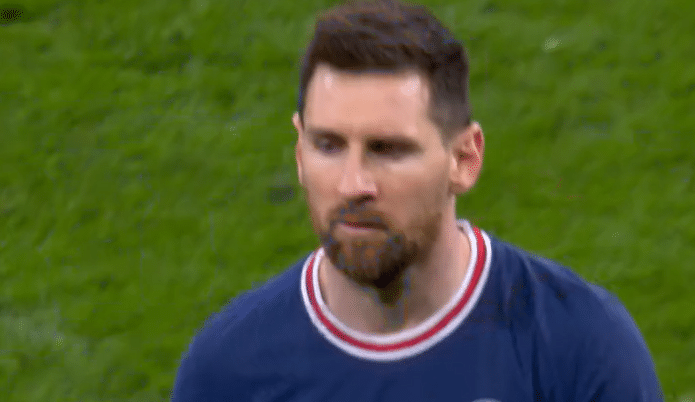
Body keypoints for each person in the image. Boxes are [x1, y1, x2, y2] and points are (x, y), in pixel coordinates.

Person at [171, 0, 664, 400]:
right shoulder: (229, 371)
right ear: (299, 152)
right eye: (328, 145)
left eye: (387, 150)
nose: (352, 185)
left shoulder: (579, 346)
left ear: (464, 159)